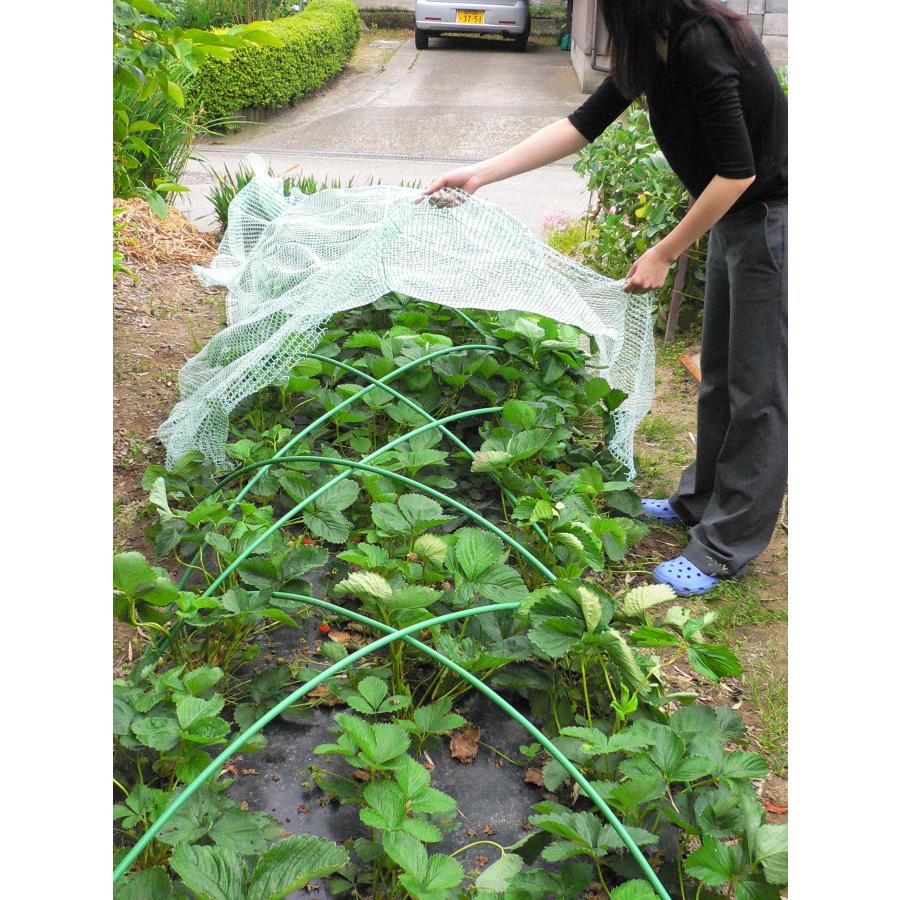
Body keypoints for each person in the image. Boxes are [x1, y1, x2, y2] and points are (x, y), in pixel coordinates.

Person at [424, 0, 787, 597]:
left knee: (760, 390)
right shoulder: (655, 46)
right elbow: (580, 125)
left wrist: (665, 252)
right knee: (721, 374)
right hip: (737, 221)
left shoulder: (701, 44)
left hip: (771, 216)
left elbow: (738, 172)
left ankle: (727, 545)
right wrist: (482, 173)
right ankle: (699, 502)